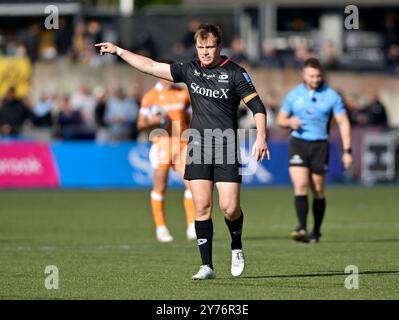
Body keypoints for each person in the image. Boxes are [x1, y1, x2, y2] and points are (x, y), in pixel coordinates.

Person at [96, 23, 270, 280]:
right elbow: (151, 66)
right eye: (201, 47)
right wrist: (119, 50)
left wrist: (261, 137)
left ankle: (236, 247)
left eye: (210, 47)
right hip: (197, 145)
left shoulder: (235, 73)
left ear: (219, 46)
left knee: (230, 208)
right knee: (201, 206)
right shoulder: (190, 69)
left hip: (225, 145)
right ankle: (206, 265)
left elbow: (257, 107)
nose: (205, 52)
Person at [277, 57, 352, 243]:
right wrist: (289, 122)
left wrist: (347, 151)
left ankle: (316, 232)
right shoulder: (294, 95)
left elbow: (343, 122)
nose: (315, 79)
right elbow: (280, 119)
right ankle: (301, 228)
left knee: (318, 189)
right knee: (300, 185)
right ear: (304, 75)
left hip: (320, 145)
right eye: (311, 76)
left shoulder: (332, 96)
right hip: (299, 143)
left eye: (318, 76)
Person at [137, 62, 196, 242]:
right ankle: (161, 228)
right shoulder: (150, 97)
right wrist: (152, 121)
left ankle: (192, 226)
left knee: (192, 184)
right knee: (160, 187)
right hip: (161, 144)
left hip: (182, 144)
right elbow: (140, 124)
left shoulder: (183, 94)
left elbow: (191, 117)